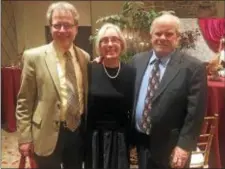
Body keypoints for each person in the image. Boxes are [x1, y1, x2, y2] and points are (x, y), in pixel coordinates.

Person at [16, 2, 90, 169]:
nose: (62, 30)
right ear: (50, 27)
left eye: (67, 25)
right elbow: (24, 102)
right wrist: (25, 138)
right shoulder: (33, 57)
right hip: (45, 133)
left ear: (76, 28)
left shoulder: (84, 57)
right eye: (57, 25)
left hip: (76, 132)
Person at [130, 13, 207, 168]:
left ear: (177, 37)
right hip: (142, 142)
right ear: (151, 36)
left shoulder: (193, 67)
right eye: (158, 33)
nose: (162, 37)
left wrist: (184, 146)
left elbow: (195, 112)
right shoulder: (137, 61)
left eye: (169, 34)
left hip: (172, 146)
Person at [84, 23, 136, 169]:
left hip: (120, 138)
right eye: (105, 40)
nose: (110, 44)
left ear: (122, 43)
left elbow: (132, 107)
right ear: (99, 46)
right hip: (95, 138)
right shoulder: (90, 69)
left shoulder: (131, 72)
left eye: (114, 39)